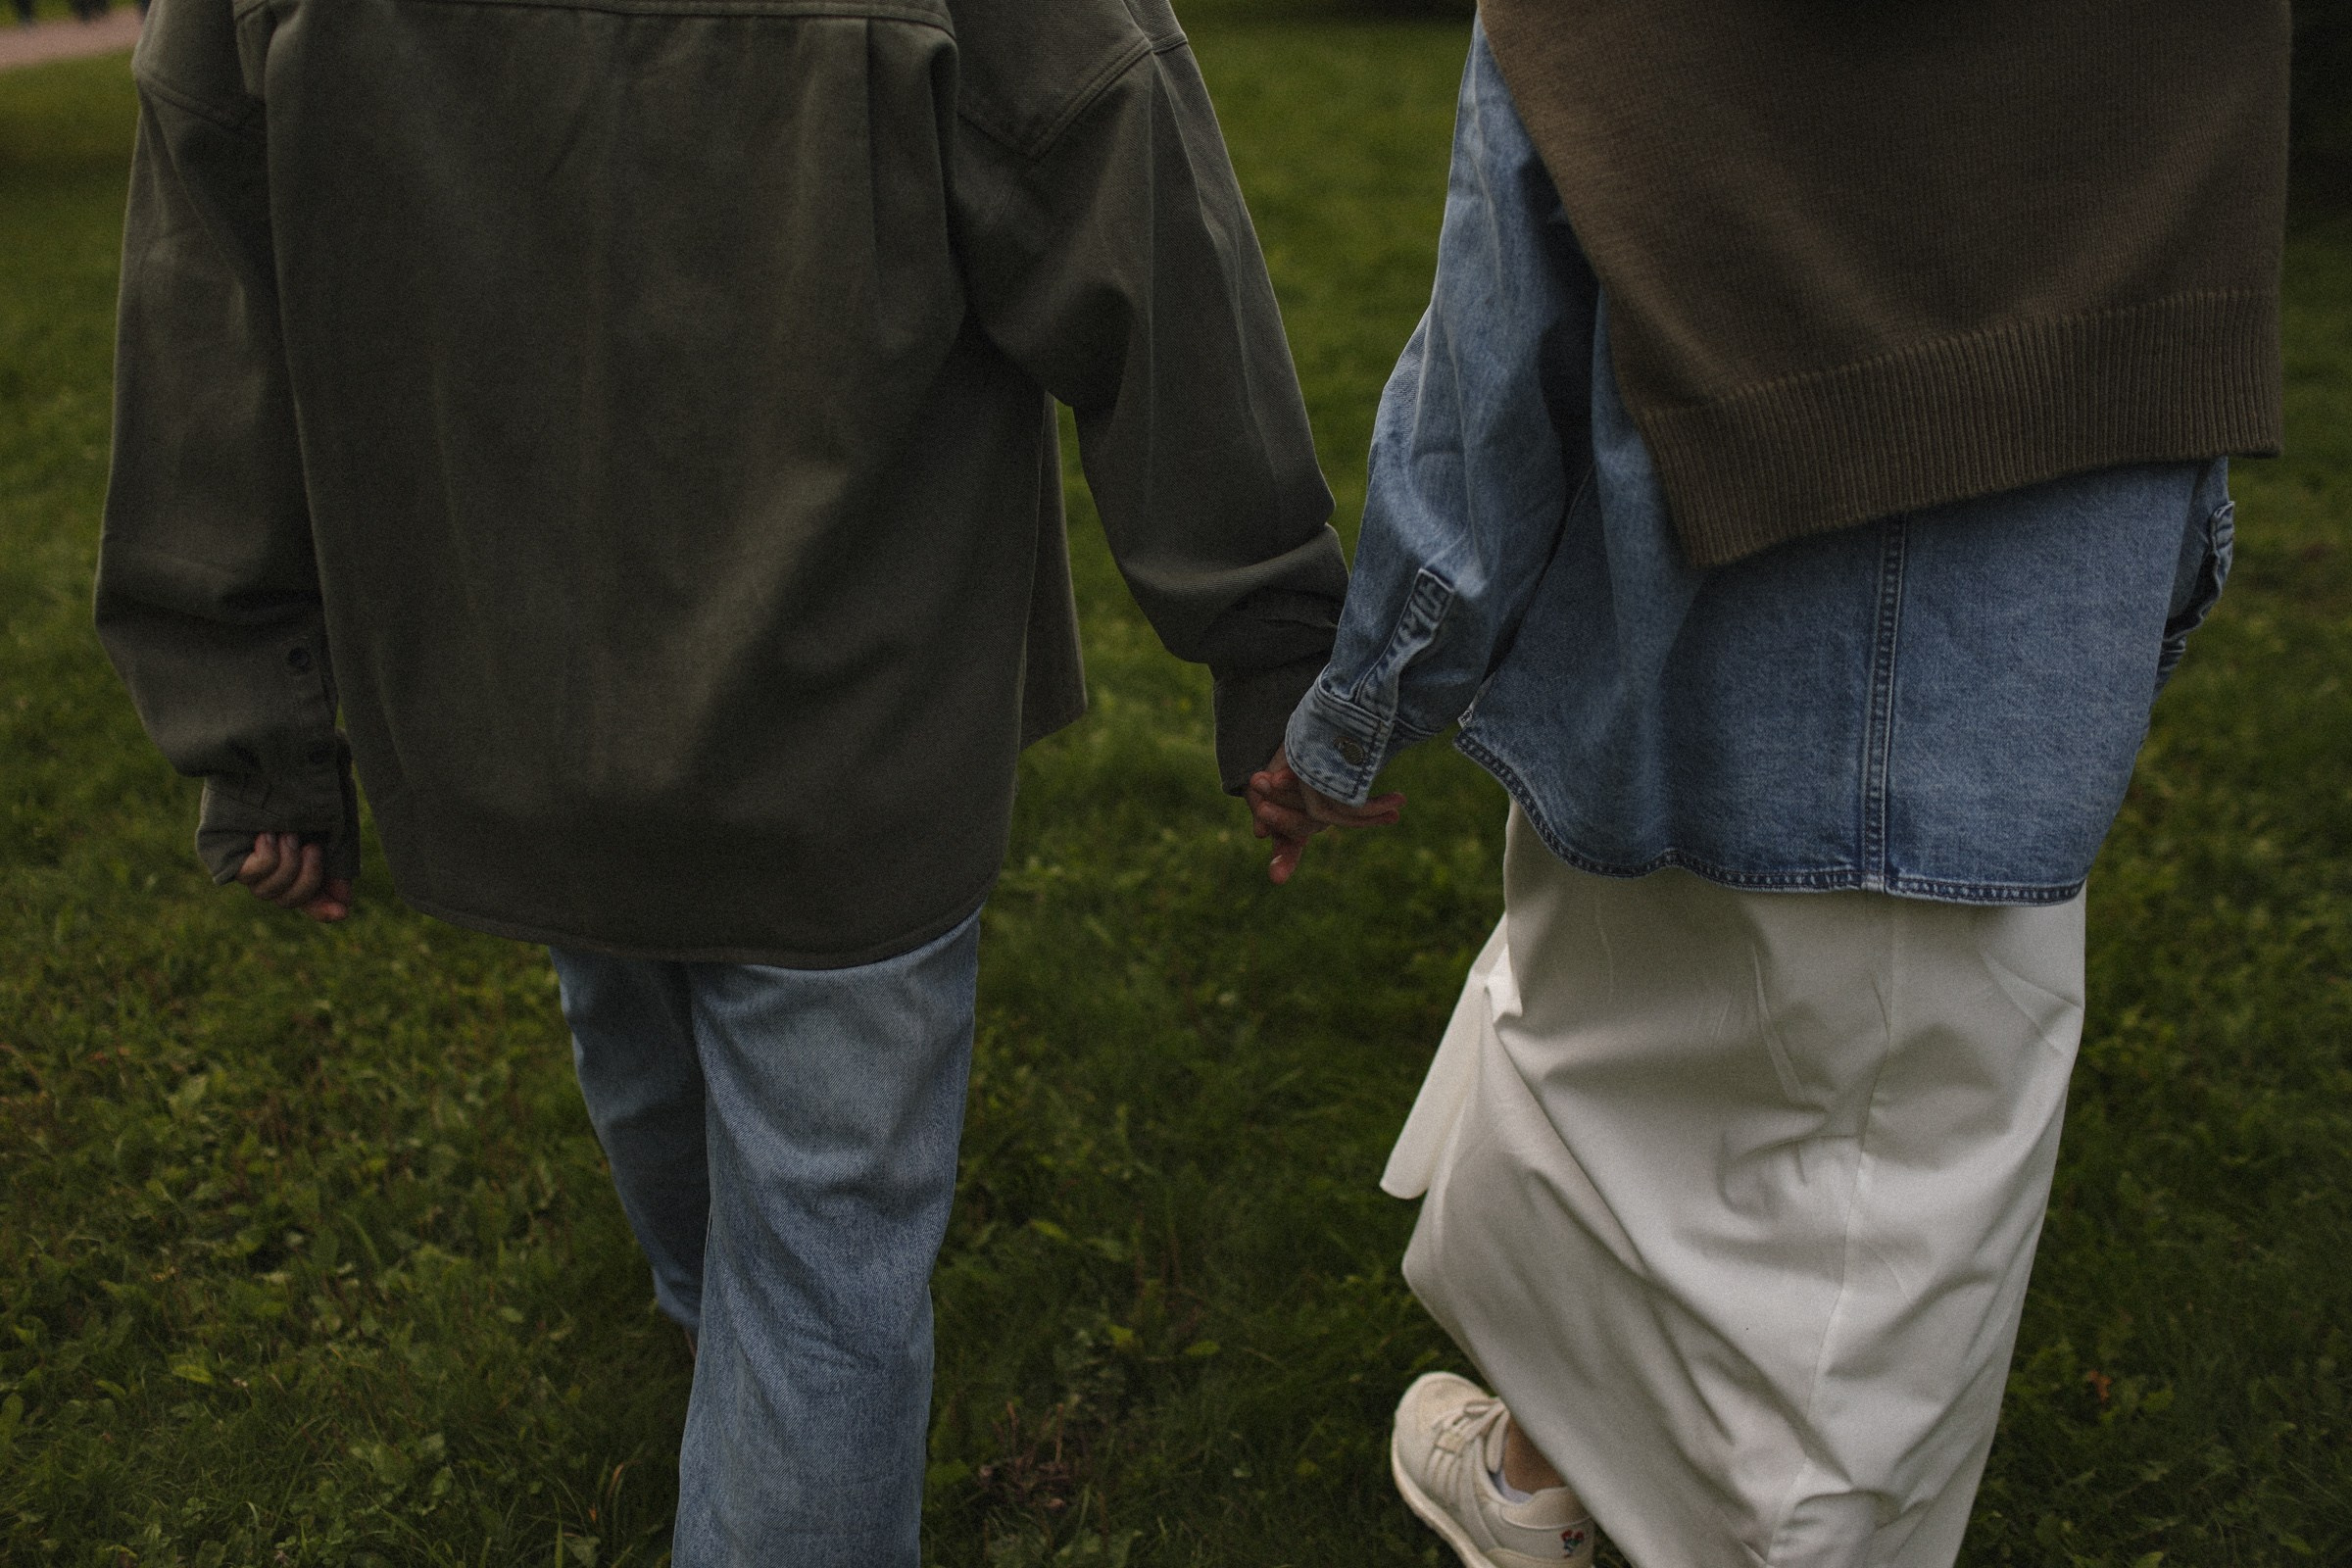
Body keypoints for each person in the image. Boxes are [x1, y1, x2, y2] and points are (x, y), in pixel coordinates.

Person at [94, 0, 1349, 1559]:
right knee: (813, 1262)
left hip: (523, 706)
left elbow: (207, 290)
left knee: (638, 1015)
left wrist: (254, 716)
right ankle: (747, 1352)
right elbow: (1133, 193)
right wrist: (1270, 639)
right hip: (843, 730)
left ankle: (729, 1345)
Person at [1249, 7, 2286, 1567]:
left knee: (1620, 1114)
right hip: (1999, 710)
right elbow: (2178, 349)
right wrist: (2135, 633)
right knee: (1894, 1218)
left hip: (1694, 685)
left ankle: (1575, 1487)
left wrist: (1361, 709)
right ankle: (1544, 1477)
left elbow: (1488, 384)